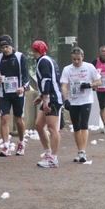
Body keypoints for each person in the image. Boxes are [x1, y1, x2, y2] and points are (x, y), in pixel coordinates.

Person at [0, 34, 29, 157]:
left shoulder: (20, 57)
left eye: (7, 47)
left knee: (18, 120)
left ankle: (21, 143)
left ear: (11, 46)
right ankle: (6, 146)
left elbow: (26, 75)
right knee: (4, 118)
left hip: (18, 93)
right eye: (3, 48)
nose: (5, 49)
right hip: (4, 94)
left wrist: (23, 87)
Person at [61, 47, 101, 163]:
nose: (76, 62)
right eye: (74, 59)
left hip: (85, 99)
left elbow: (98, 81)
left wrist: (89, 85)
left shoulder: (89, 67)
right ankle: (79, 151)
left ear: (82, 57)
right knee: (76, 126)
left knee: (84, 124)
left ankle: (83, 151)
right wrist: (66, 99)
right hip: (73, 100)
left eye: (78, 59)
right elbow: (64, 85)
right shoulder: (67, 69)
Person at [31, 40, 63, 168]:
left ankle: (53, 158)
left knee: (52, 128)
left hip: (52, 98)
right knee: (39, 125)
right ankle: (48, 152)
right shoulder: (46, 60)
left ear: (34, 51)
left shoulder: (43, 61)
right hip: (48, 96)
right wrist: (41, 96)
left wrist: (45, 100)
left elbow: (46, 80)